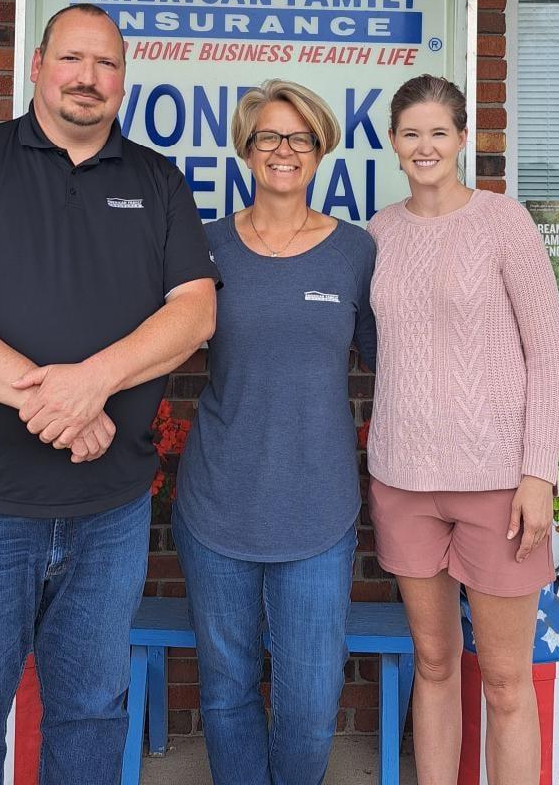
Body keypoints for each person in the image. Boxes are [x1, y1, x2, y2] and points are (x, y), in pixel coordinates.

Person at [0, 3, 218, 785]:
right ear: (36, 66)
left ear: (123, 82)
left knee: (93, 709)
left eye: (105, 65)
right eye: (72, 59)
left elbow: (194, 311)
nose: (87, 78)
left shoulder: (156, 181)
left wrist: (92, 384)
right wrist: (53, 402)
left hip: (109, 510)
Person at [366, 75, 559, 785]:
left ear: (461, 140)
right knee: (432, 662)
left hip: (496, 485)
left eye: (438, 133)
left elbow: (549, 351)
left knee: (507, 681)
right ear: (393, 143)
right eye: (410, 133)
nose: (424, 146)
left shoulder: (501, 222)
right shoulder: (376, 234)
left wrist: (537, 473)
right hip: (402, 480)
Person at [173, 80, 376, 785]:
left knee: (310, 702)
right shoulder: (204, 248)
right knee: (226, 692)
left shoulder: (355, 251)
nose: (282, 151)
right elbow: (152, 346)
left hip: (318, 507)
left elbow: (399, 365)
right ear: (245, 149)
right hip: (216, 500)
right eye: (267, 137)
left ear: (320, 150)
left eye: (298, 138)